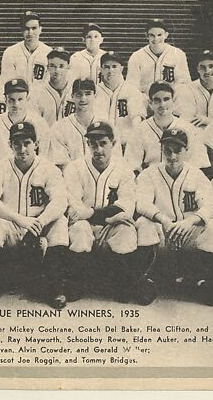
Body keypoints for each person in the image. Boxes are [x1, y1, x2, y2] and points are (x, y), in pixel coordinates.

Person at [0, 122, 69, 309]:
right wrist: (19, 219)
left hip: (38, 226)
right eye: (17, 143)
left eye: (27, 142)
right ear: (10, 145)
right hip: (11, 224)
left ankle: (55, 287)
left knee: (60, 223)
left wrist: (39, 222)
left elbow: (60, 201)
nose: (22, 148)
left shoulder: (48, 168)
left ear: (35, 143)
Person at [135, 128, 213, 306]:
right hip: (162, 232)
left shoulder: (197, 175)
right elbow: (141, 203)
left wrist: (189, 221)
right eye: (167, 150)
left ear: (187, 152)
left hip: (187, 231)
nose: (172, 156)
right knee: (143, 223)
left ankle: (204, 282)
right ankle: (148, 281)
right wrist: (163, 219)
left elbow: (209, 207)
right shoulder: (150, 174)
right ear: (161, 150)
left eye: (178, 150)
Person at [63, 121, 138, 302]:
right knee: (80, 230)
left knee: (126, 230)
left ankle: (119, 283)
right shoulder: (74, 168)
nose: (98, 149)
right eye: (93, 144)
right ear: (87, 144)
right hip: (84, 225)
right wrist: (105, 215)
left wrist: (90, 213)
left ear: (113, 143)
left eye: (103, 143)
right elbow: (73, 205)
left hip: (107, 227)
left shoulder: (124, 169)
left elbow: (125, 206)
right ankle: (78, 283)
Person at [124, 81, 209, 174]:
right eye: (157, 100)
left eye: (166, 99)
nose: (162, 104)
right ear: (150, 103)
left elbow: (199, 164)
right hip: (150, 180)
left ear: (173, 101)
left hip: (182, 180)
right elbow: (132, 167)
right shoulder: (139, 130)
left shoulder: (188, 128)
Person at [0, 78, 51, 162]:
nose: (16, 104)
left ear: (27, 99)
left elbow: (44, 158)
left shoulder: (40, 123)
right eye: (11, 100)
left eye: (20, 99)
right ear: (5, 100)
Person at [49, 78, 110, 169]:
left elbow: (115, 160)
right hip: (71, 179)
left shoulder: (106, 125)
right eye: (79, 94)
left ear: (95, 96)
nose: (83, 98)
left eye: (88, 94)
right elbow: (61, 165)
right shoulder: (59, 127)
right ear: (72, 96)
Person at [126, 18, 191, 97]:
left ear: (166, 35)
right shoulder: (136, 56)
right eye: (152, 35)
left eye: (159, 35)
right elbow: (132, 85)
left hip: (170, 101)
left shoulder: (178, 54)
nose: (156, 39)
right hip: (145, 100)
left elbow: (184, 84)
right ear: (146, 36)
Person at [95, 51, 146, 151]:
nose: (110, 70)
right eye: (106, 67)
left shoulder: (131, 91)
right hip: (100, 145)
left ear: (122, 68)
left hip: (126, 146)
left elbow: (137, 121)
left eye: (114, 66)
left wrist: (134, 144)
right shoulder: (95, 91)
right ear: (101, 69)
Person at [174, 50, 213, 129]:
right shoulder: (188, 89)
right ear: (198, 69)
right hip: (197, 136)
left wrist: (208, 121)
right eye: (203, 67)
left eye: (211, 66)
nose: (207, 71)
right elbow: (188, 120)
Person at [1, 10, 52, 88]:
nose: (30, 33)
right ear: (21, 30)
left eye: (34, 28)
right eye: (26, 29)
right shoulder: (10, 52)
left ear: (40, 29)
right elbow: (7, 83)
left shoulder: (49, 53)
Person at [29, 47, 74, 126]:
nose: (57, 70)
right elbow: (34, 122)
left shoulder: (75, 91)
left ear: (68, 67)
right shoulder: (37, 92)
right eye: (52, 66)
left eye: (61, 66)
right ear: (47, 67)